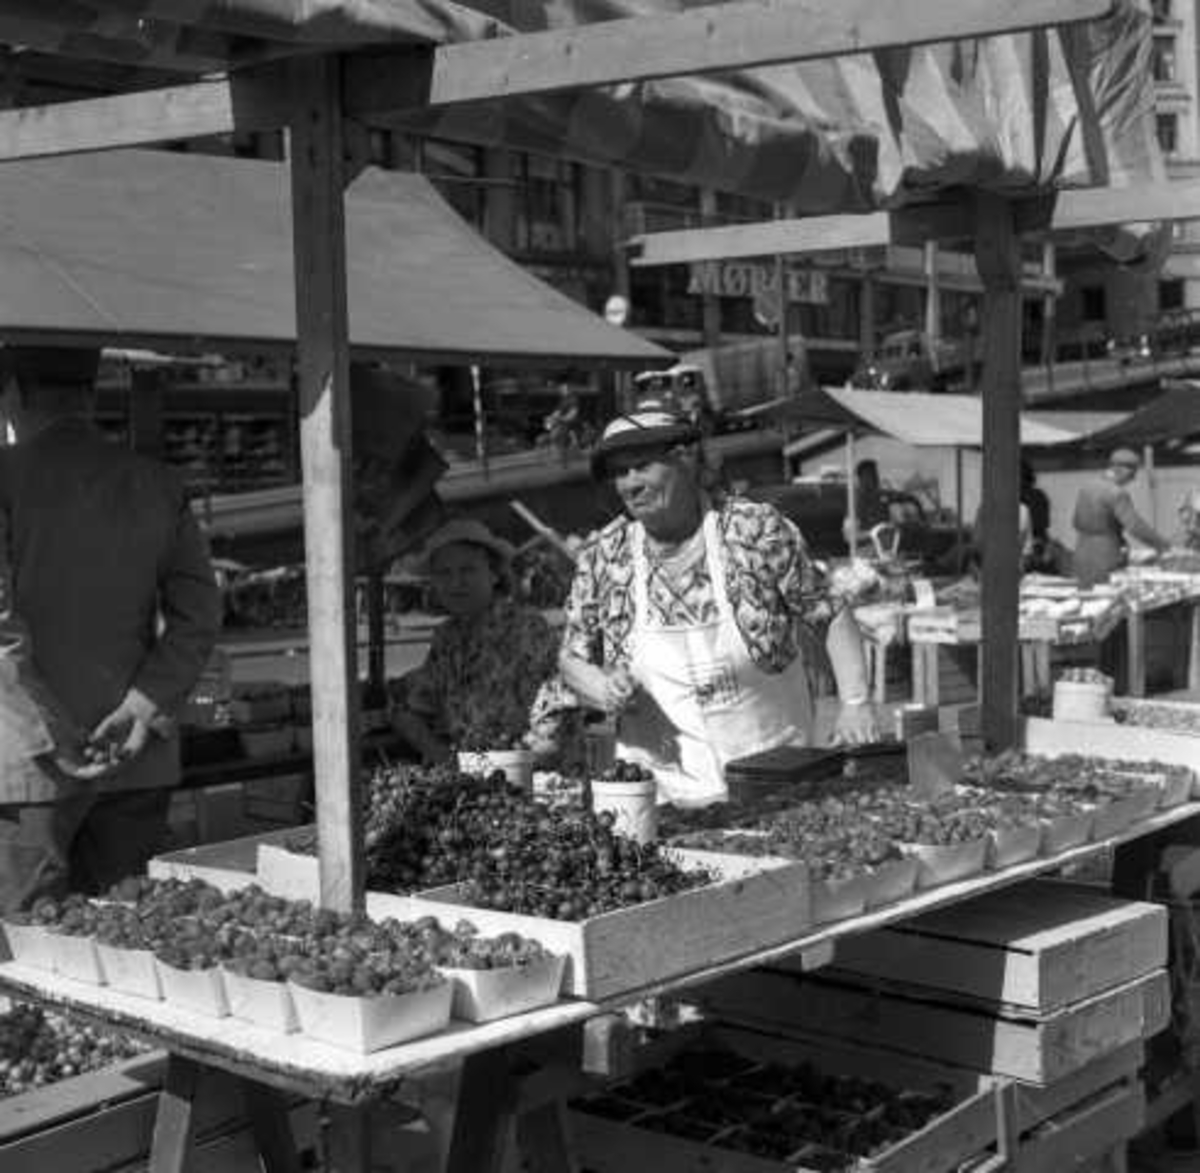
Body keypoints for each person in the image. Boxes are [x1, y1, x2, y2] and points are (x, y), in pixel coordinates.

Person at [559, 408, 878, 805]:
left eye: (641, 467)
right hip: (663, 797)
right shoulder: (605, 555)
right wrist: (603, 687)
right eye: (620, 473)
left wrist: (855, 703)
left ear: (686, 460)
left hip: (775, 781)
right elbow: (572, 659)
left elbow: (828, 612)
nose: (630, 484)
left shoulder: (753, 529)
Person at [0, 345, 222, 914]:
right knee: (123, 946)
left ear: (14, 392)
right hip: (134, 758)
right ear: (92, 393)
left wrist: (53, 733)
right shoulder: (157, 482)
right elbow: (198, 615)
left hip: (27, 767)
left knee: (25, 956)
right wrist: (145, 705)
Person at [391, 518, 561, 763]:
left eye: (467, 570)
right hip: (475, 784)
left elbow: (557, 717)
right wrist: (441, 756)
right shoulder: (447, 638)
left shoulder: (527, 628)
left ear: (493, 573)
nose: (456, 582)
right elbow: (412, 703)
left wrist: (514, 765)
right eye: (444, 573)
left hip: (529, 775)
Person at [1071, 448, 1170, 587]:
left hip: (1081, 554)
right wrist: (1163, 545)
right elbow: (1135, 526)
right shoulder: (1116, 493)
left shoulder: (1086, 487)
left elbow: (1076, 522)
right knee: (1106, 597)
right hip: (1106, 556)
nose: (1134, 479)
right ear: (1123, 469)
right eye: (1133, 474)